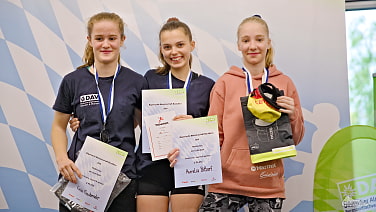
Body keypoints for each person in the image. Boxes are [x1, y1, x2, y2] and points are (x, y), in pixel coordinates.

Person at [169, 15, 305, 211]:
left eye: (259, 39)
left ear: (268, 43)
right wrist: (192, 131)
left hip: (268, 184)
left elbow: (297, 138)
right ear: (238, 45)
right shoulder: (225, 83)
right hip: (226, 182)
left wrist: (293, 115)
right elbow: (215, 134)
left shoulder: (284, 83)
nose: (253, 46)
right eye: (246, 40)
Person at [51, 12, 147, 212]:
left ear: (122, 40)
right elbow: (58, 127)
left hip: (123, 178)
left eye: (112, 38)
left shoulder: (137, 82)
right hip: (79, 176)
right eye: (99, 38)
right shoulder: (73, 81)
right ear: (89, 40)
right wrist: (62, 159)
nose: (106, 44)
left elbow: (142, 125)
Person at [135, 17, 215, 212]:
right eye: (167, 47)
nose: (174, 52)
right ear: (161, 50)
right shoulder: (150, 78)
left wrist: (194, 124)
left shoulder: (207, 85)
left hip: (190, 166)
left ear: (192, 45)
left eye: (180, 45)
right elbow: (134, 118)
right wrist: (81, 119)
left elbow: (215, 133)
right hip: (151, 164)